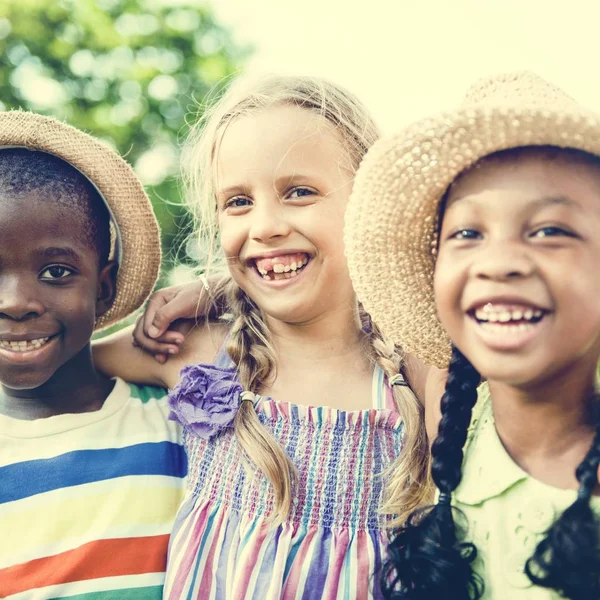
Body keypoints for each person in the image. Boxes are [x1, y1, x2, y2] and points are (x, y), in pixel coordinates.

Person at [93, 74, 434, 599]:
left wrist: (219, 284)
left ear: (370, 201)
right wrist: (223, 290)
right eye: (237, 202)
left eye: (299, 193)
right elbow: (60, 360)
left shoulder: (413, 368)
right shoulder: (197, 349)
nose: (266, 225)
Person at [344, 71, 600, 599]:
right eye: (467, 234)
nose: (499, 263)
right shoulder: (455, 417)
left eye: (550, 230)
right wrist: (215, 289)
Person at [0, 112, 186, 599]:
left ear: (103, 288)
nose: (17, 302)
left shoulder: (175, 414)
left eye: (57, 271)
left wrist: (210, 291)